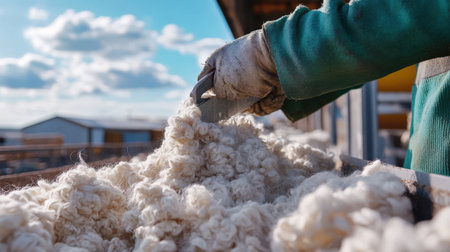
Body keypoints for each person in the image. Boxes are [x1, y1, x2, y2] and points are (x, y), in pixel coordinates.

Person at [197, 0, 450, 176]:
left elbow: (416, 11)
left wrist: (275, 55)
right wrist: (283, 83)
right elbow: (402, 35)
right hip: (434, 174)